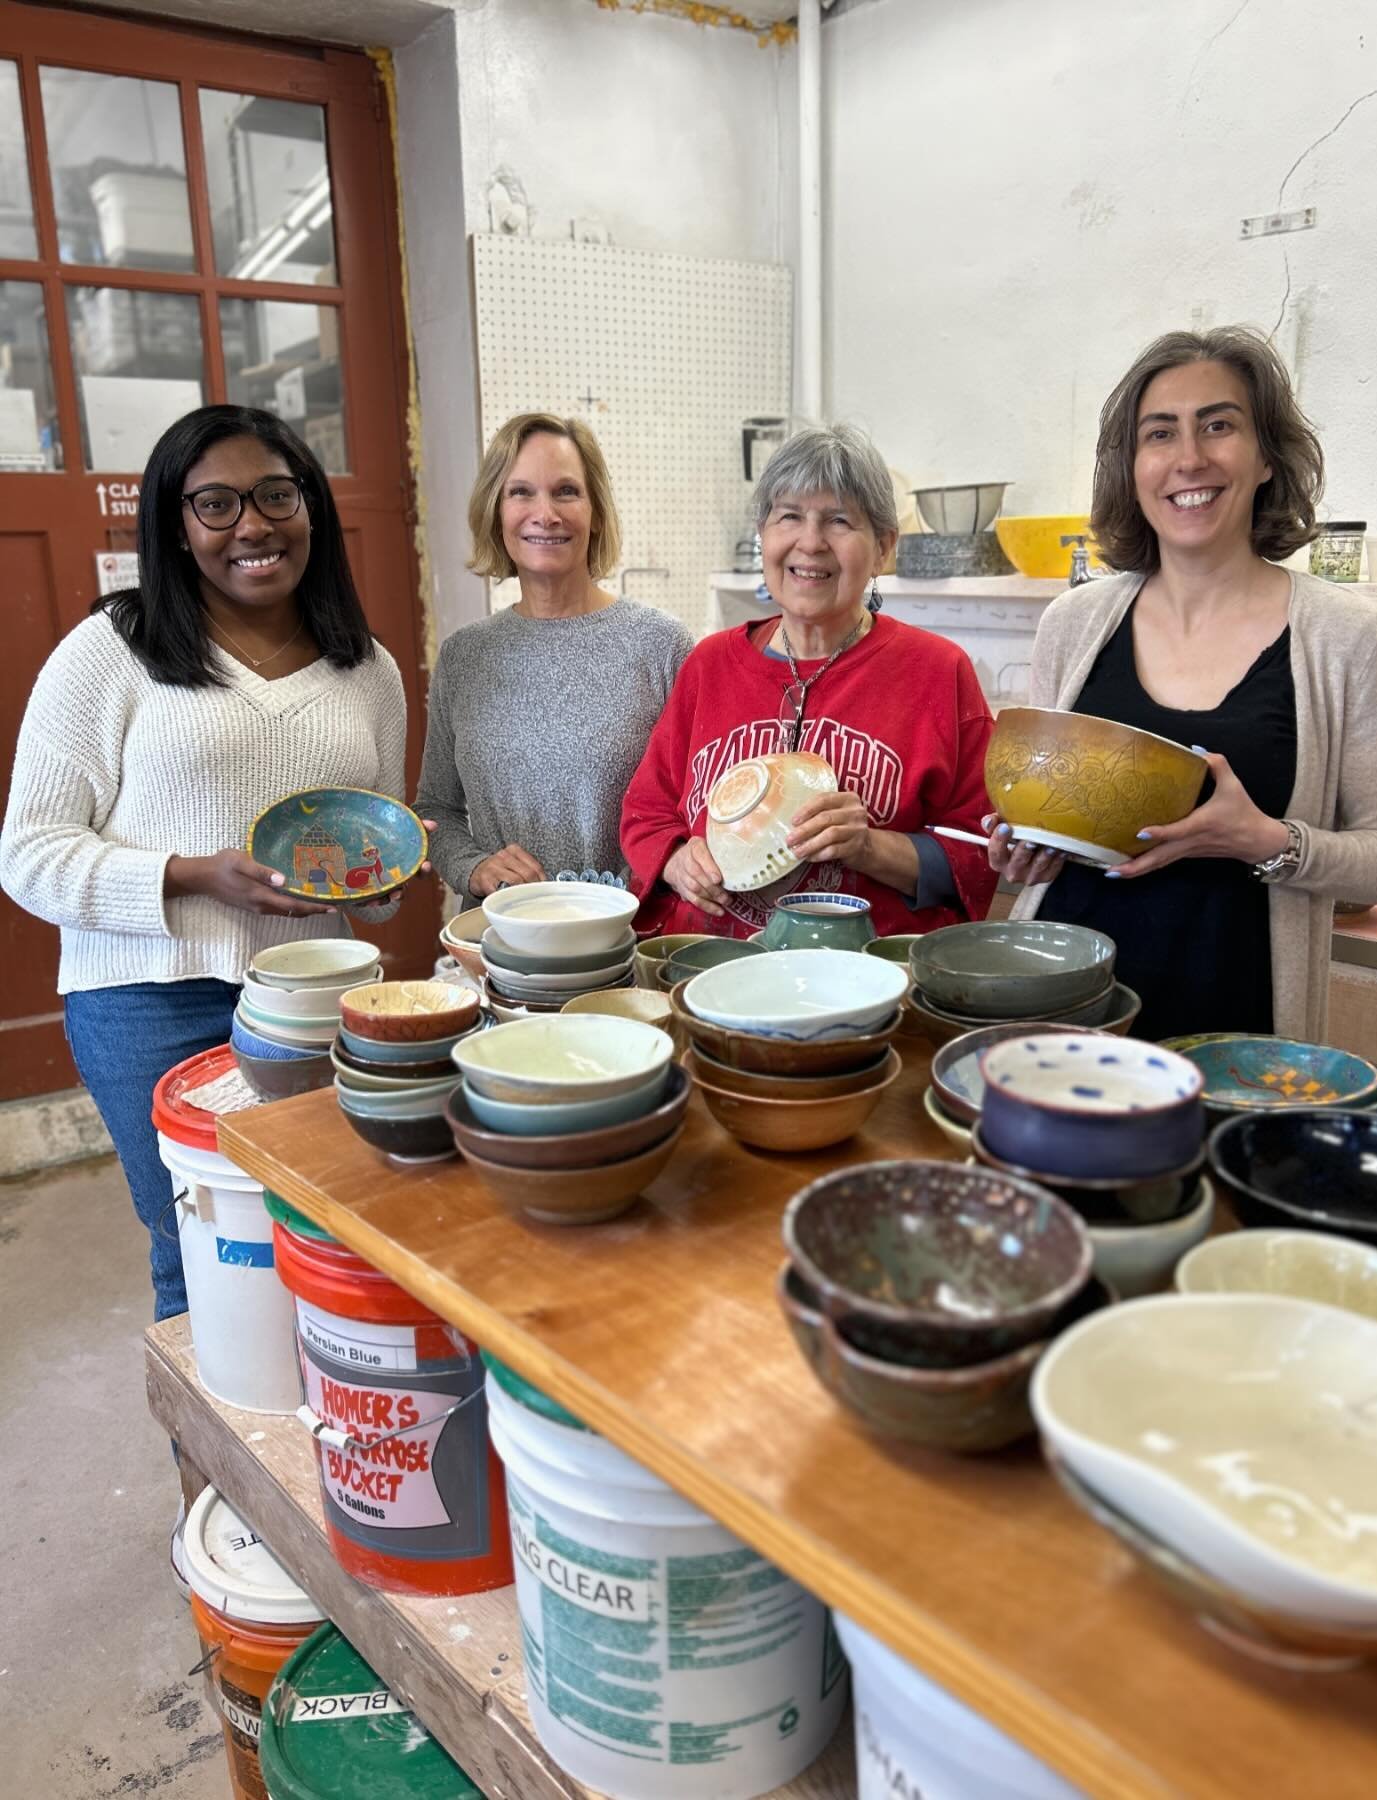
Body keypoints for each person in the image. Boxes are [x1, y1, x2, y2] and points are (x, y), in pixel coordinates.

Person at [1, 404, 411, 1324]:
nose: (252, 525)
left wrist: (380, 882)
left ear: (309, 507)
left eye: (275, 494)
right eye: (214, 505)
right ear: (177, 529)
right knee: (198, 1246)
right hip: (148, 999)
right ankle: (211, 1464)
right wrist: (189, 875)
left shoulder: (368, 670)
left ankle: (318, 1448)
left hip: (313, 1000)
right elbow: (27, 855)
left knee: (330, 1234)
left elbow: (374, 877)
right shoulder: (112, 651)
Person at [991, 326, 1377, 1042]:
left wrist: (1264, 841)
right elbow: (1054, 824)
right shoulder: (1074, 624)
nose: (1189, 458)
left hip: (1236, 1029)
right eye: (1160, 434)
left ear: (1266, 455)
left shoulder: (1351, 639)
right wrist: (1026, 844)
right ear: (1133, 466)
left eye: (1220, 426)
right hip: (1061, 1014)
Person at [621, 424, 997, 936]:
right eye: (789, 516)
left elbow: (980, 854)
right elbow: (647, 813)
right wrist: (676, 861)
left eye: (839, 520)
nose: (811, 542)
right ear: (764, 534)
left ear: (883, 547)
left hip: (862, 985)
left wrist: (870, 847)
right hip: (707, 973)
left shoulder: (937, 672)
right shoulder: (708, 665)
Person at [417, 413, 692, 898]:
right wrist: (475, 867)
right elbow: (436, 809)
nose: (545, 514)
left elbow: (696, 809)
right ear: (495, 512)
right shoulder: (464, 657)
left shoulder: (662, 645)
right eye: (521, 492)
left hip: (629, 937)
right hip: (503, 943)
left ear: (597, 512)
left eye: (566, 491)